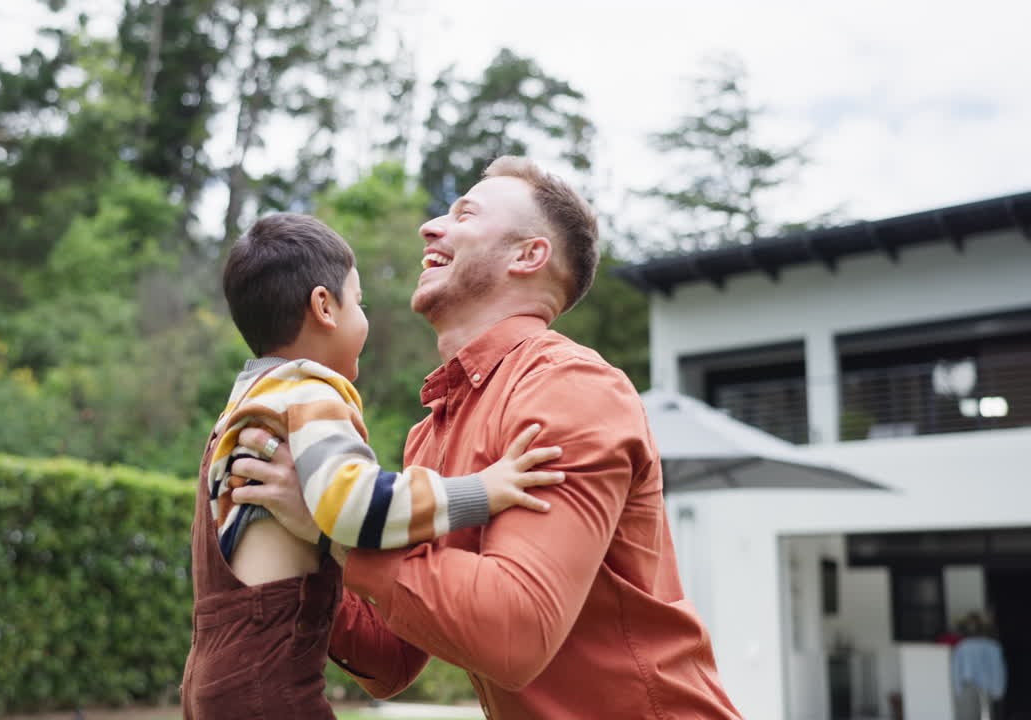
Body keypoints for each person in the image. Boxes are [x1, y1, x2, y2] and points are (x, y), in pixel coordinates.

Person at [229, 158, 744, 718]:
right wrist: (281, 530)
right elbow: (390, 660)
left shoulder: (569, 387)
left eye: (464, 213)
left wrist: (331, 531)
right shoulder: (430, 433)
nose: (430, 227)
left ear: (529, 255)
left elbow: (516, 630)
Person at [181, 212, 565, 720]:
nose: (366, 318)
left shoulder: (244, 408)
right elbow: (355, 505)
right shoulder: (310, 393)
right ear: (324, 307)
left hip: (212, 679)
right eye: (359, 302)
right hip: (269, 687)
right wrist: (482, 492)